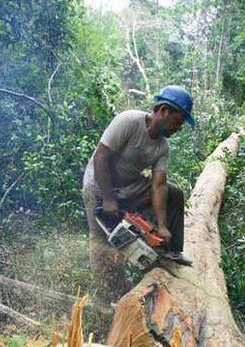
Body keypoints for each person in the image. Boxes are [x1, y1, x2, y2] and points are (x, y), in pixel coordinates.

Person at [82, 85, 195, 266]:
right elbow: (101, 157)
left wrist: (163, 225)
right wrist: (108, 198)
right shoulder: (129, 121)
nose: (178, 127)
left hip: (129, 186)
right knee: (105, 243)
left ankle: (170, 251)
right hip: (98, 186)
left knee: (174, 194)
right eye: (178, 121)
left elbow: (159, 185)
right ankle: (107, 292)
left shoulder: (162, 147)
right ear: (164, 110)